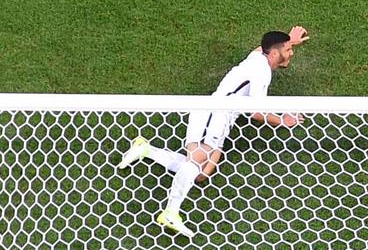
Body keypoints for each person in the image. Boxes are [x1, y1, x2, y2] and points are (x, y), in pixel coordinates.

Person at [116, 27, 309, 237]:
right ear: (274, 53)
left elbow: (262, 47)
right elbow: (254, 112)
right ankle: (171, 212)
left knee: (200, 174)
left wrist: (290, 40)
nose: (292, 53)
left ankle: (146, 149)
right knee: (196, 163)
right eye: (289, 49)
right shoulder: (262, 72)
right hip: (214, 114)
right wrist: (283, 120)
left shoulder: (257, 57)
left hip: (219, 118)